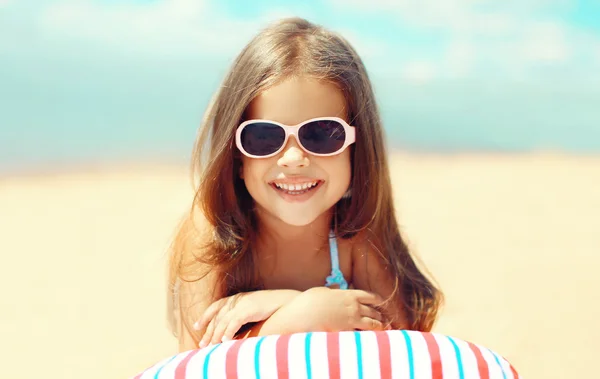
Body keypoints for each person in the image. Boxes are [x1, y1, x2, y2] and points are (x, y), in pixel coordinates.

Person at [167, 17, 443, 353]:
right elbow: (193, 363)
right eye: (264, 137)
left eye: (322, 134)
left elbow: (403, 346)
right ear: (236, 157)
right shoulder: (211, 233)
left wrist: (303, 305)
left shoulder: (353, 234)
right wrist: (296, 314)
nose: (294, 158)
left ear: (357, 151)